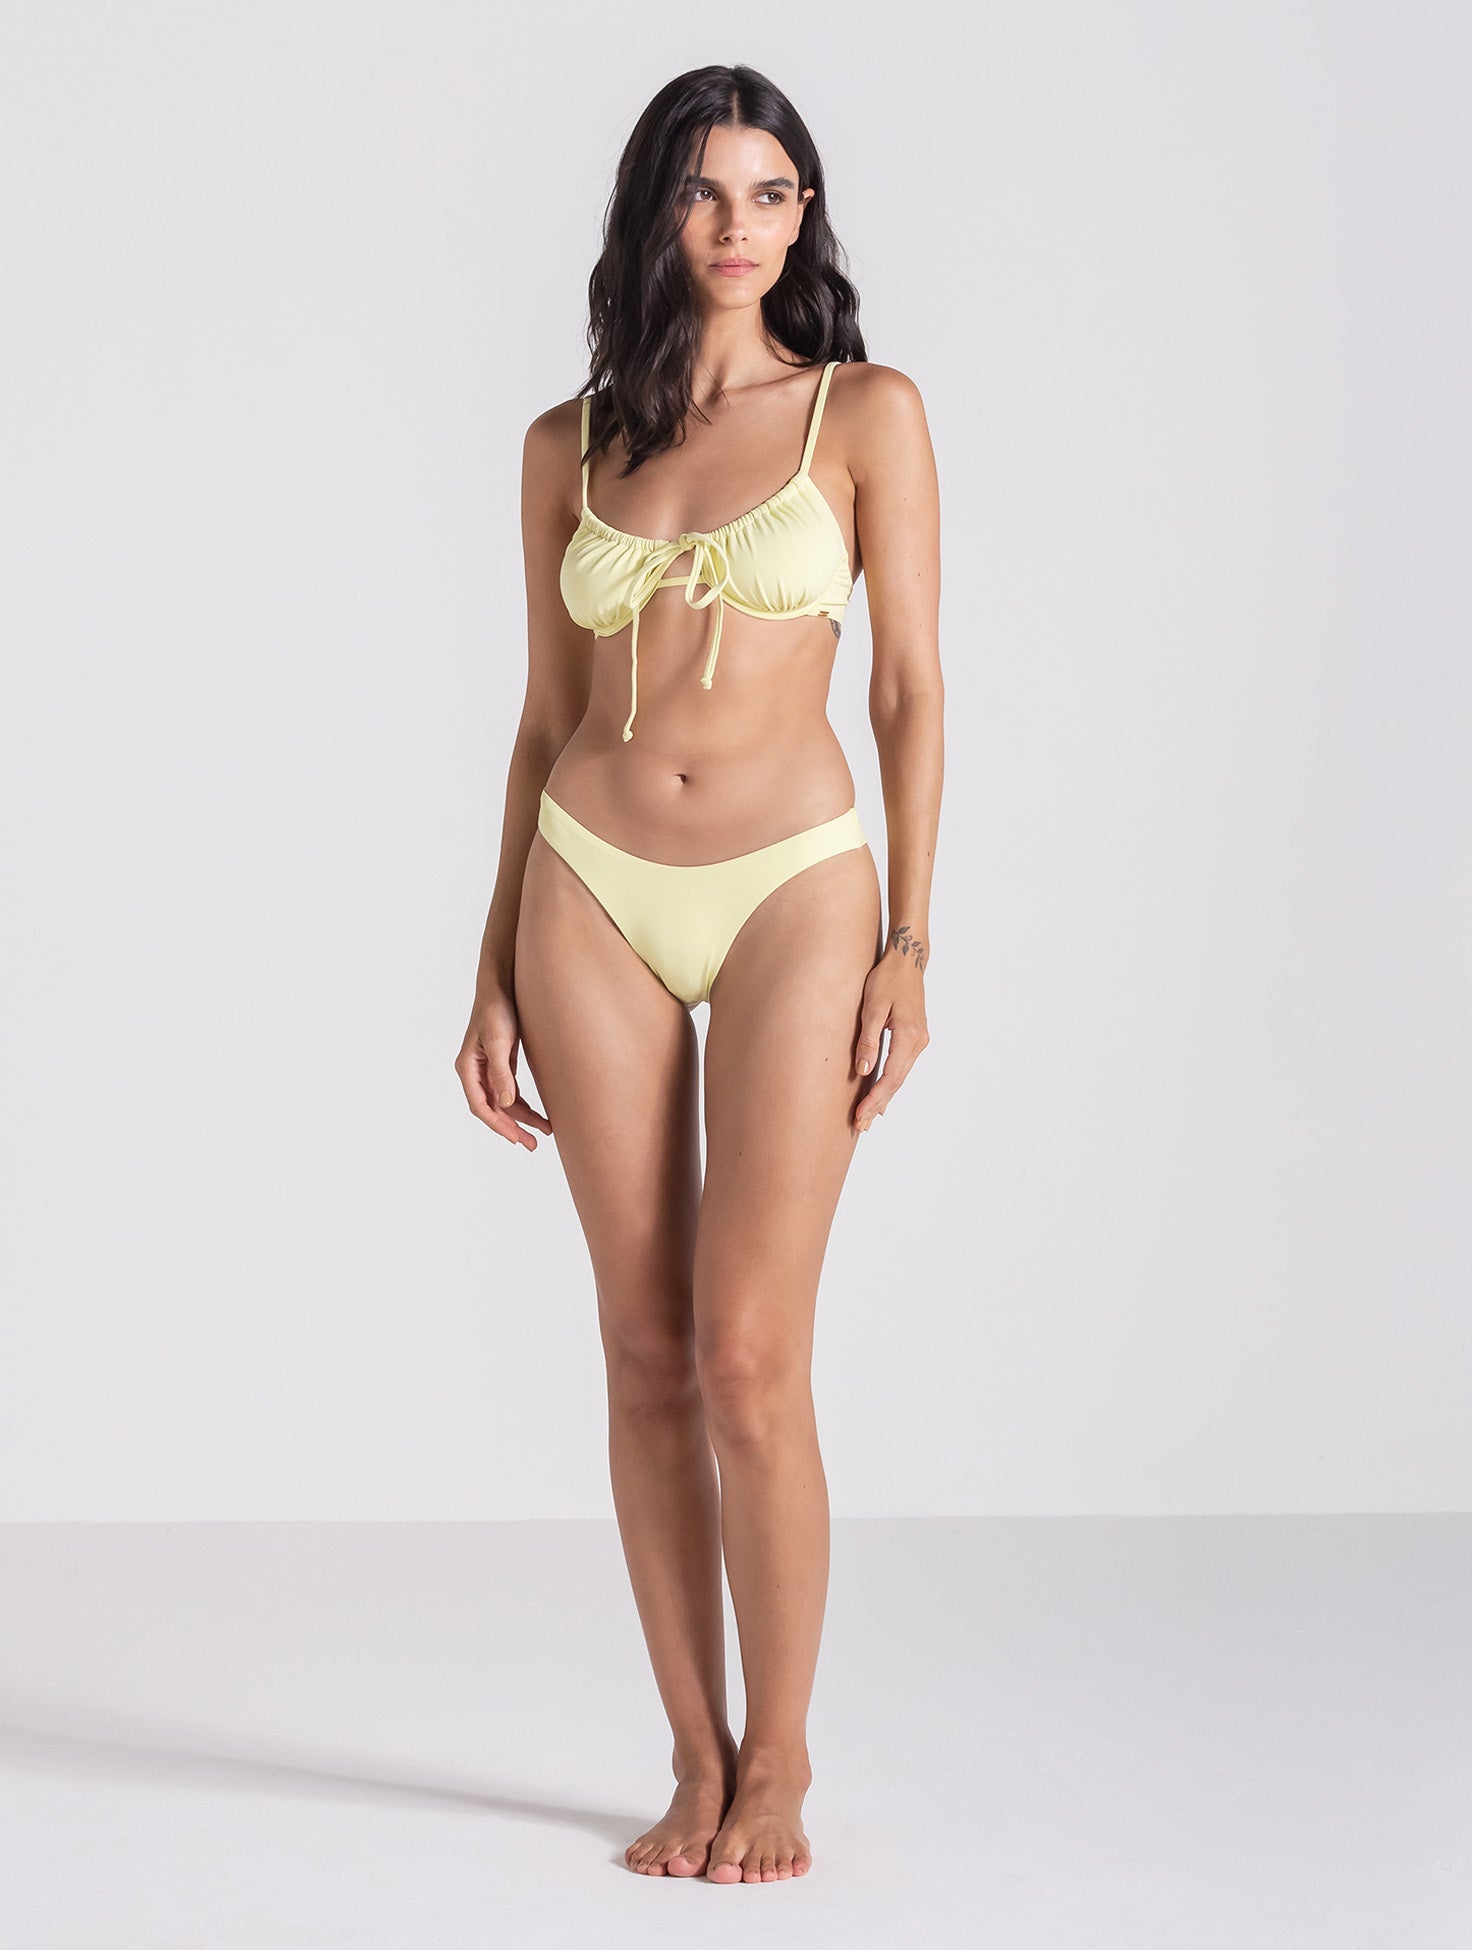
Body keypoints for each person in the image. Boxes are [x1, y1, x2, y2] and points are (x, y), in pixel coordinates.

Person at [456, 63, 942, 1884]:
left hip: (796, 885)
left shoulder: (865, 413)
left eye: (773, 192)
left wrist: (911, 936)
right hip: (586, 885)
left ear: (806, 217)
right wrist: (488, 963)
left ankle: (784, 1759)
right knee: (645, 1346)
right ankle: (692, 1748)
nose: (741, 226)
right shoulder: (564, 444)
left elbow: (909, 689)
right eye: (706, 191)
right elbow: (541, 720)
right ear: (655, 210)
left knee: (749, 1352)